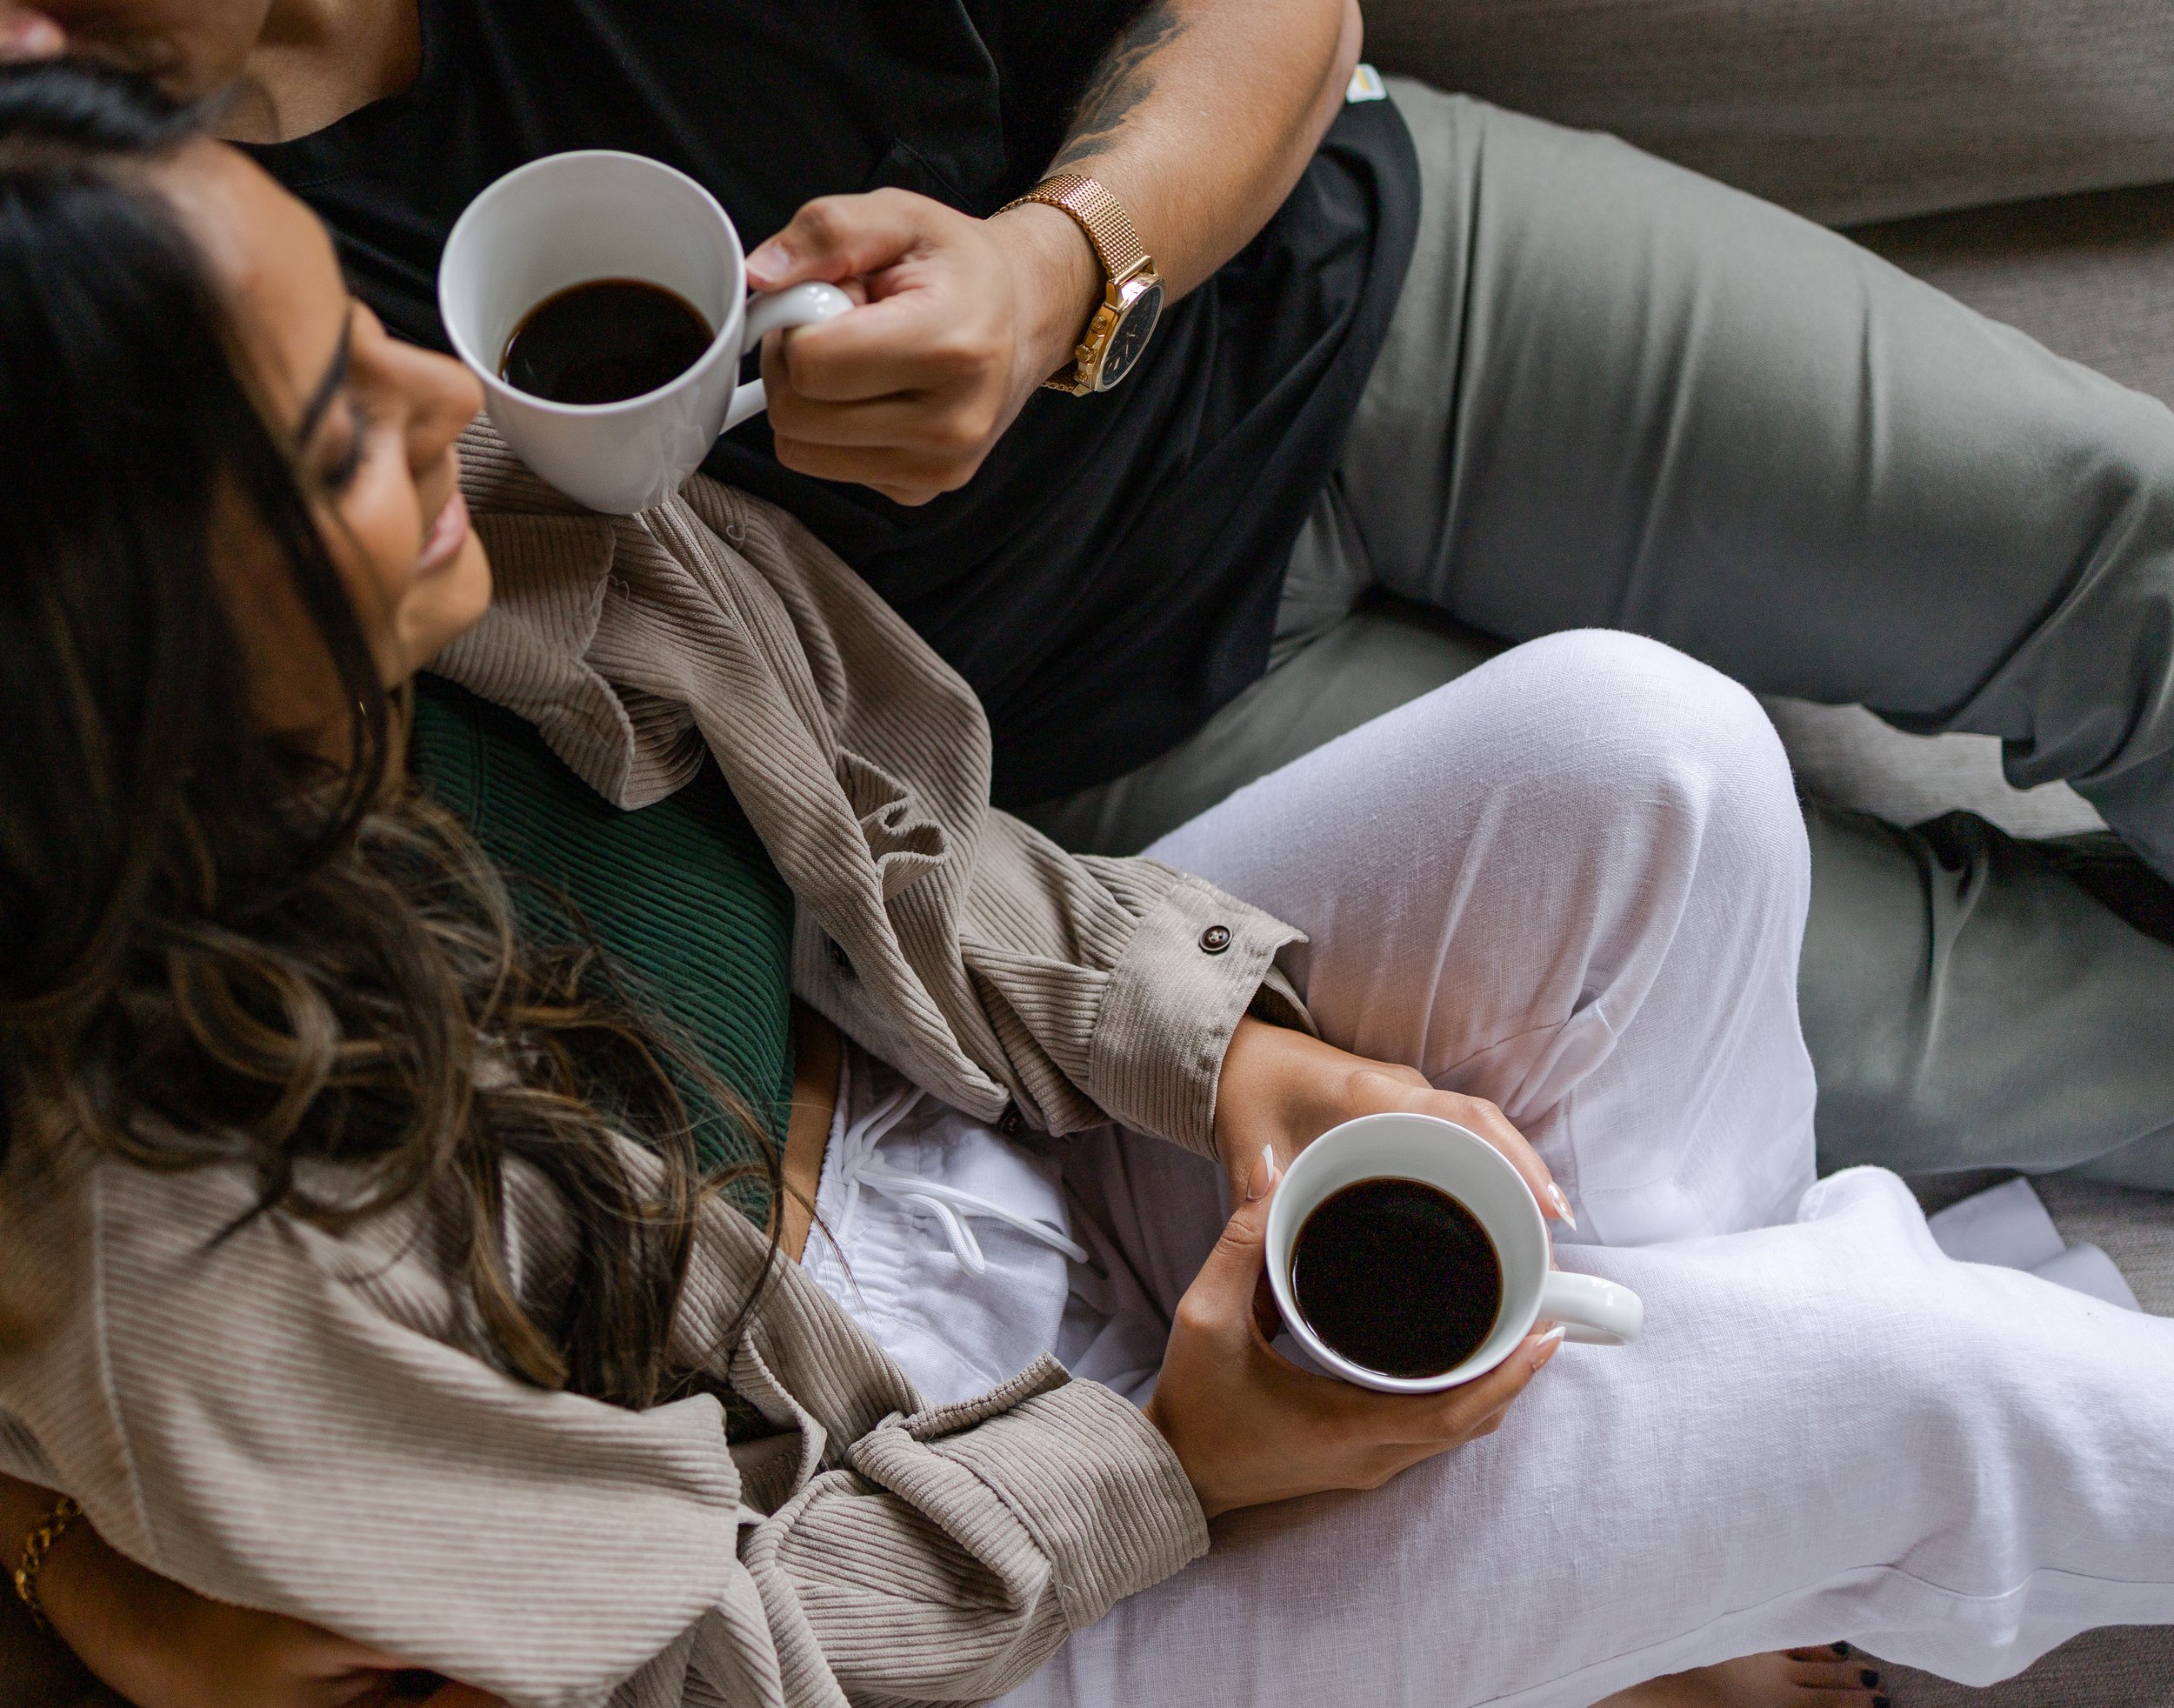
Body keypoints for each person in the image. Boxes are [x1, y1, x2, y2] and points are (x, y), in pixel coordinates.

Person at [5, 60, 2174, 1708]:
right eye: (328, 435)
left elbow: (904, 846)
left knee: (1645, 756)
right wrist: (1180, 1469)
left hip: (955, 1109)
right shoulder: (177, 1271)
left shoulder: (489, 506)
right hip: (902, 1548)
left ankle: (1679, 1588)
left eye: (360, 325)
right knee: (1906, 1384)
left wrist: (1215, 1045)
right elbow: (693, 1658)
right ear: (116, 668)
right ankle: (1744, 1515)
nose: (431, 387)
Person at [4, 0, 2172, 1189]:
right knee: (2063, 1047)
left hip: (1352, 300)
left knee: (2118, 549)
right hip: (1067, 761)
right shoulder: (85, 271)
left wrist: (1060, 264)